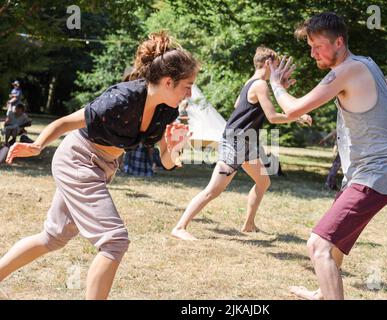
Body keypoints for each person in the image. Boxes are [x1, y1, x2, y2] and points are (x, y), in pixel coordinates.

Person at [0, 31, 198, 299]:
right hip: (78, 158)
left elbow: (166, 161)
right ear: (167, 81)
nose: (190, 92)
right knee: (115, 242)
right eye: (187, 85)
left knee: (53, 237)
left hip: (103, 166)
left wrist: (175, 148)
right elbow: (65, 123)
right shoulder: (121, 99)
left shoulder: (166, 111)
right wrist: (37, 146)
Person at [269, 12, 387, 300]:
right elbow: (386, 88)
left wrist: (276, 84)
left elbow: (293, 111)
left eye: (318, 46)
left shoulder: (348, 70)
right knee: (336, 244)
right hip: (369, 173)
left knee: (318, 245)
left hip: (374, 174)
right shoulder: (365, 63)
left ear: (339, 41)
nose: (313, 53)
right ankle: (322, 292)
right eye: (310, 46)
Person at [171, 46, 312, 240]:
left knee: (263, 181)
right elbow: (272, 117)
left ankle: (249, 224)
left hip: (247, 142)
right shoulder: (260, 85)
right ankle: (180, 227)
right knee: (213, 190)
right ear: (268, 63)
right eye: (277, 66)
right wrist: (296, 116)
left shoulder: (252, 83)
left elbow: (239, 104)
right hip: (236, 141)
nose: (278, 71)